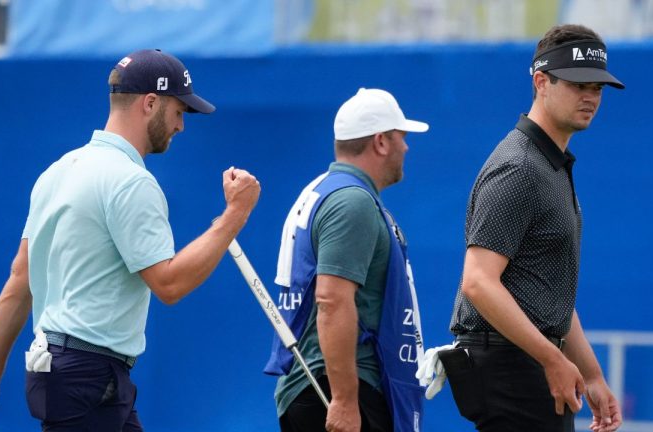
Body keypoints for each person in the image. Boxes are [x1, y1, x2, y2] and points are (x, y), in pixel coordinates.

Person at [0, 49, 261, 431]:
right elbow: (170, 283)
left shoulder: (58, 170)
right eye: (179, 111)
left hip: (68, 373)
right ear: (150, 103)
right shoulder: (132, 181)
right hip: (88, 376)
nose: (181, 125)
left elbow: (20, 280)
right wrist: (235, 215)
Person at [445, 24, 624, 432]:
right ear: (541, 82)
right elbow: (478, 282)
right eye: (579, 84)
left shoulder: (551, 164)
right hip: (513, 367)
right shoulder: (519, 167)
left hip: (530, 361)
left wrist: (591, 374)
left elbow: (549, 293)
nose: (590, 97)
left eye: (597, 87)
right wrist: (552, 358)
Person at [267, 88, 428, 432]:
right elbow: (331, 299)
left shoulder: (325, 190)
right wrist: (343, 399)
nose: (407, 147)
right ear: (381, 142)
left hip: (324, 386)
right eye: (401, 136)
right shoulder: (351, 202)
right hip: (338, 391)